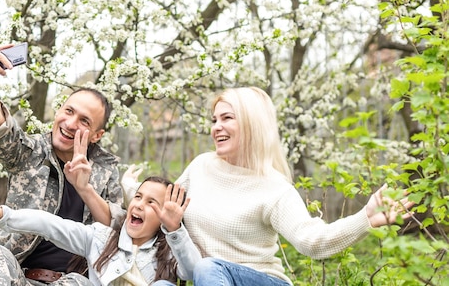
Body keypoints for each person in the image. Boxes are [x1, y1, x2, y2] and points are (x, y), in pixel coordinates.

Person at [170, 87, 414, 285]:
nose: (216, 127)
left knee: (207, 267)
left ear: (252, 125)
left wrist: (365, 218)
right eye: (214, 120)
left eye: (227, 118)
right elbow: (158, 202)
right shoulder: (200, 167)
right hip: (211, 279)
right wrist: (131, 191)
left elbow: (312, 240)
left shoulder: (274, 188)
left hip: (262, 281)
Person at [0, 44, 125, 285]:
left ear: (97, 135)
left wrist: (84, 189)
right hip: (17, 276)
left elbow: (115, 234)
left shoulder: (106, 171)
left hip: (73, 281)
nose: (70, 123)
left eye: (84, 120)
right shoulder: (30, 153)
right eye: (68, 111)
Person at [0, 176, 201, 286]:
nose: (139, 204)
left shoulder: (169, 252)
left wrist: (174, 229)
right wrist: (2, 214)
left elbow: (192, 272)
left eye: (152, 203)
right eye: (138, 196)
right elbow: (50, 225)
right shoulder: (101, 237)